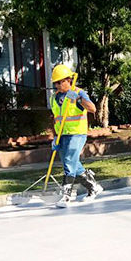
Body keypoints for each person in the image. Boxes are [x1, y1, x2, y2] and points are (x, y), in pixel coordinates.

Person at [49, 64, 103, 208]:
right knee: (74, 164)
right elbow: (54, 118)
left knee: (68, 161)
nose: (58, 85)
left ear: (69, 80)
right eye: (56, 82)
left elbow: (92, 108)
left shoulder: (78, 92)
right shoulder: (54, 98)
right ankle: (93, 186)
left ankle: (66, 197)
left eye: (61, 82)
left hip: (77, 133)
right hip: (62, 135)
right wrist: (54, 137)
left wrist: (78, 100)